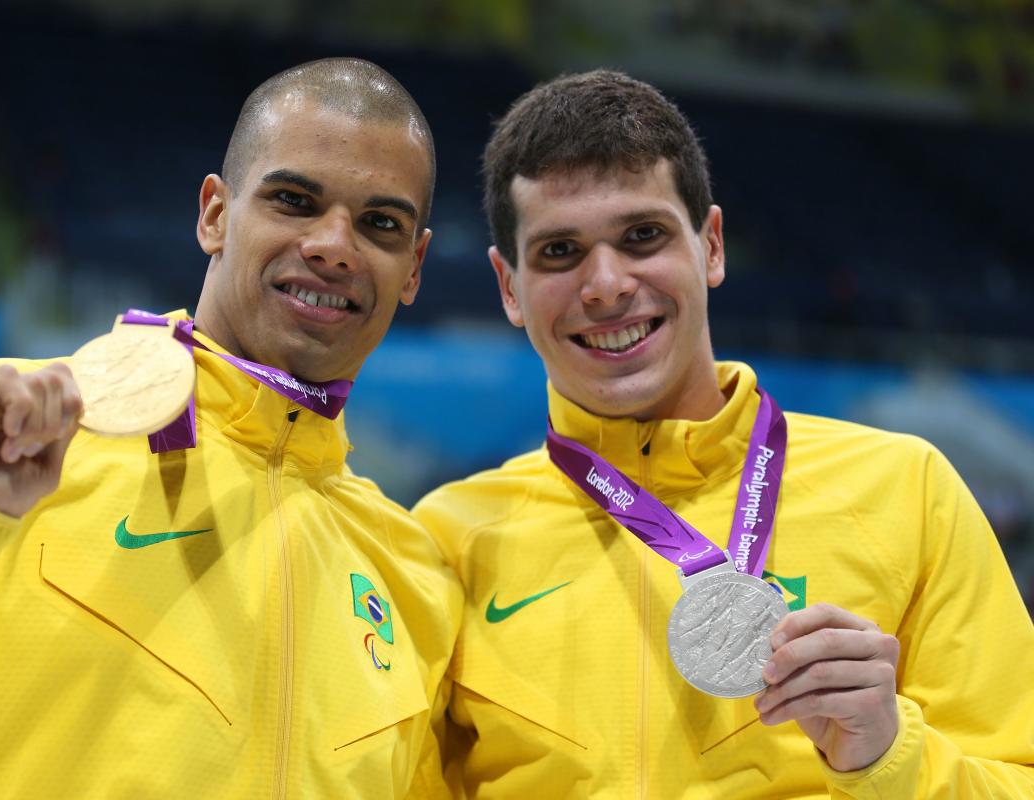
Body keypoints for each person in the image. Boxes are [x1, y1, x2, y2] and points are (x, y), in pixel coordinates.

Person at [0, 58, 461, 798]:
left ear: (414, 267)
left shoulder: (414, 578)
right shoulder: (12, 440)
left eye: (379, 223)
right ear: (215, 215)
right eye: (294, 200)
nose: (333, 245)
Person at [413, 69, 1034, 798]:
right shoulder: (449, 542)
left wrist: (889, 757)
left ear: (710, 245)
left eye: (642, 236)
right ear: (509, 287)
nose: (606, 284)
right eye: (559, 252)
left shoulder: (906, 488)